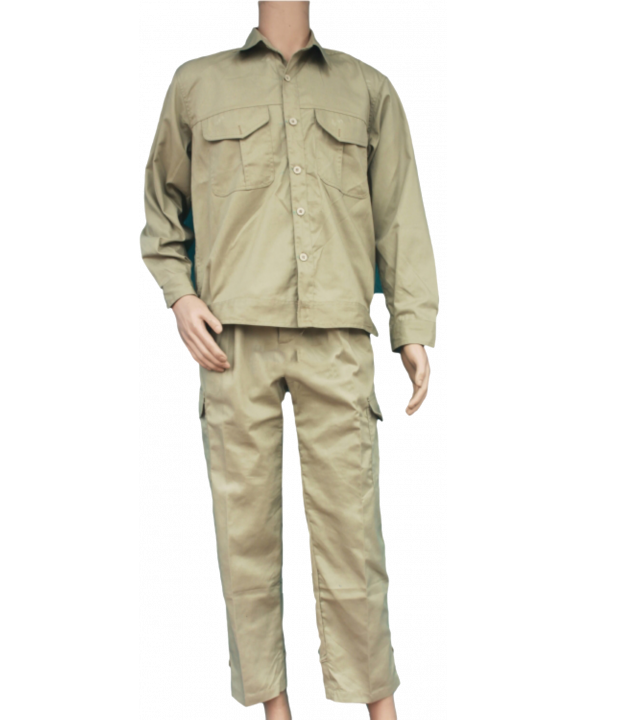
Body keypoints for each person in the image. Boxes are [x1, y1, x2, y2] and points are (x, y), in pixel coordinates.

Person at [139, 2, 440, 719]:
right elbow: (160, 208)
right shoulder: (197, 85)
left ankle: (377, 705)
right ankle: (272, 709)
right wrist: (181, 296)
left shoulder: (366, 90)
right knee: (244, 529)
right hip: (232, 337)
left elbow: (400, 214)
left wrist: (412, 326)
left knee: (352, 528)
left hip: (337, 333)